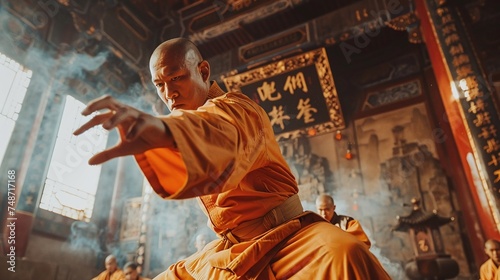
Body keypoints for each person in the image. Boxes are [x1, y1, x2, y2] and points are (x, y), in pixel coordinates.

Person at [74, 37, 391, 279]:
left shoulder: (238, 108)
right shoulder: (187, 118)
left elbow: (216, 129)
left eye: (177, 78)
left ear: (203, 71)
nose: (169, 93)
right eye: (160, 85)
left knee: (345, 254)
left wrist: (160, 129)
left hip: (288, 239)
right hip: (233, 248)